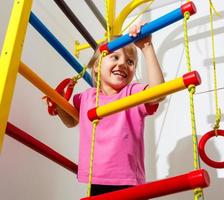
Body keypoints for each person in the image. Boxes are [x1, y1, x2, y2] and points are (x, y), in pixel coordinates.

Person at [56, 23, 165, 196]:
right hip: (96, 179)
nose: (123, 64)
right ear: (97, 66)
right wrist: (58, 104)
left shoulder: (132, 93)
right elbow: (71, 121)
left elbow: (158, 93)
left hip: (128, 181)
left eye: (130, 62)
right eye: (115, 57)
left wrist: (146, 47)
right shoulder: (87, 97)